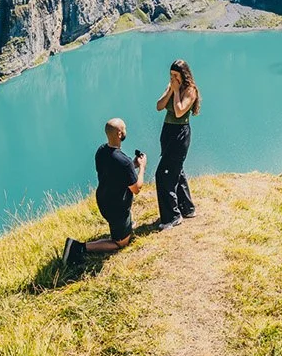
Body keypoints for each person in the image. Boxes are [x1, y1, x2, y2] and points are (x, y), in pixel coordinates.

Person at [62, 118, 146, 266]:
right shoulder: (124, 162)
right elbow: (136, 188)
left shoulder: (101, 151)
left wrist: (133, 165)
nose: (126, 130)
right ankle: (78, 247)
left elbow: (114, 171)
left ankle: (123, 227)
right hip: (117, 208)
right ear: (120, 134)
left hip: (104, 199)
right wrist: (142, 167)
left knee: (122, 226)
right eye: (124, 129)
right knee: (121, 243)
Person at [153, 58, 201, 229]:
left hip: (180, 134)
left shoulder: (190, 90)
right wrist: (170, 91)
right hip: (168, 132)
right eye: (171, 75)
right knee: (176, 171)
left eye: (176, 75)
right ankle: (187, 209)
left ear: (183, 75)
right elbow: (159, 106)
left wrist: (176, 91)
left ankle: (173, 216)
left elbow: (180, 111)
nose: (173, 78)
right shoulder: (172, 87)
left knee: (163, 174)